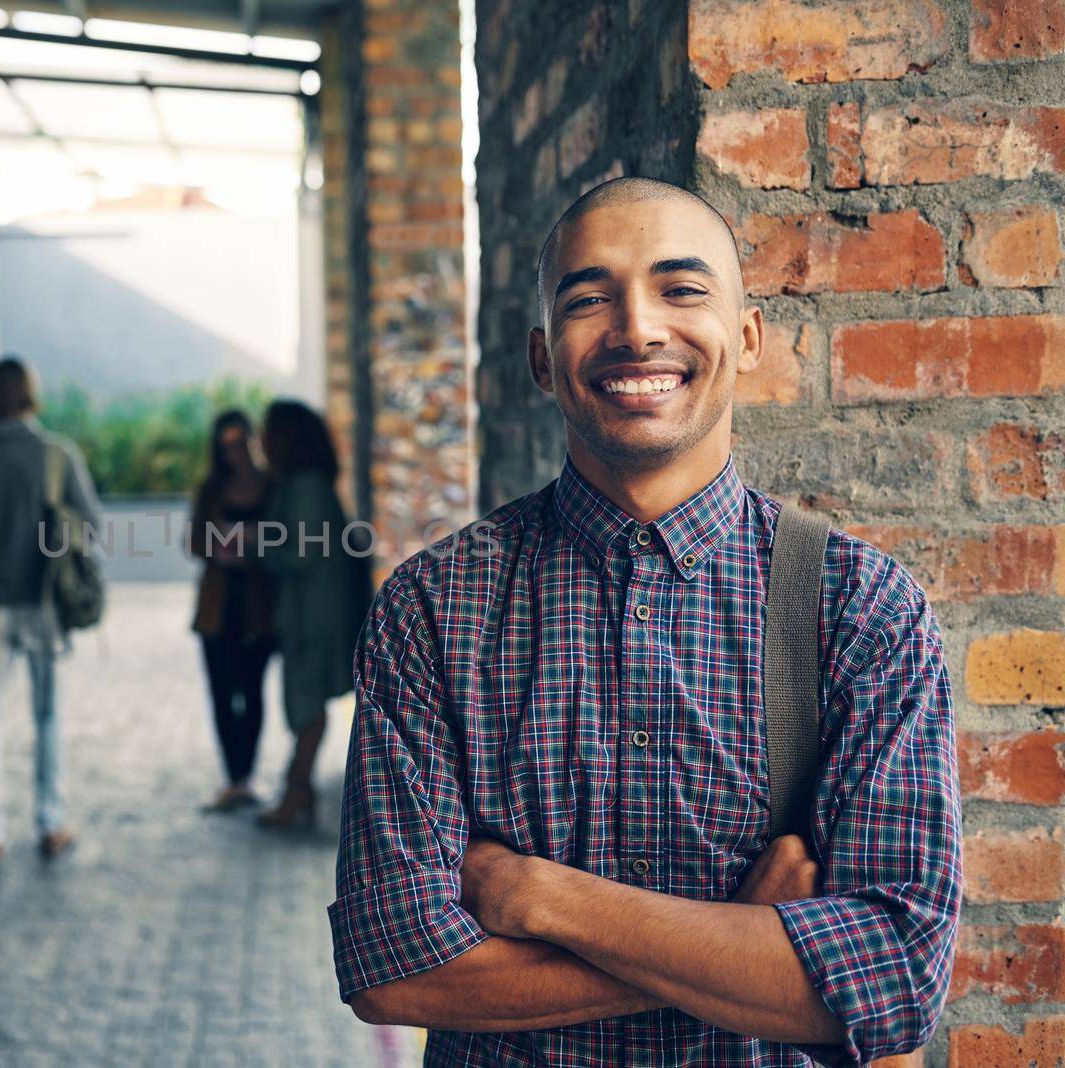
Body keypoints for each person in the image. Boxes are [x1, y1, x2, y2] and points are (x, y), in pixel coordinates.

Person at [329, 177, 961, 1065]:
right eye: (591, 298)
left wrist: (540, 899)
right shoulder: (433, 608)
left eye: (682, 289)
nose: (637, 328)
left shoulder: (859, 610)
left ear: (744, 340)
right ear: (544, 358)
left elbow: (894, 980)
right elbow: (394, 968)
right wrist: (744, 937)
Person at [0, 356, 102, 873]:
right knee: (47, 715)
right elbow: (91, 524)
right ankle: (50, 824)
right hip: (44, 604)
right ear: (30, 395)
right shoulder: (57, 455)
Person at [250, 400, 368, 830]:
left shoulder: (304, 489)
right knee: (307, 701)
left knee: (305, 701)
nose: (262, 440)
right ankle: (297, 788)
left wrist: (250, 546)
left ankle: (297, 789)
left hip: (312, 614)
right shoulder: (306, 484)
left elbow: (299, 554)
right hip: (317, 609)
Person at [186, 411, 276, 812]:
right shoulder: (210, 488)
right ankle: (234, 777)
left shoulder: (274, 488)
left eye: (240, 442)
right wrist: (221, 549)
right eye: (226, 445)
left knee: (253, 690)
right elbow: (194, 541)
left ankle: (249, 774)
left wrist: (256, 548)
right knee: (222, 692)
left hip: (260, 606)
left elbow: (287, 540)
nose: (234, 452)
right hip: (217, 606)